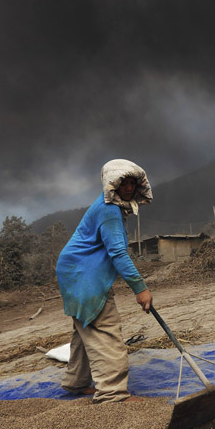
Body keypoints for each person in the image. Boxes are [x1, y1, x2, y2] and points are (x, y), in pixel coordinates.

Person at [55, 159, 154, 402]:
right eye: (124, 183)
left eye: (132, 183)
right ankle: (112, 393)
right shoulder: (109, 211)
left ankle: (76, 383)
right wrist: (140, 289)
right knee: (105, 329)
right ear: (112, 184)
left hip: (75, 272)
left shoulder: (109, 207)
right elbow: (118, 253)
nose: (129, 188)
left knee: (86, 327)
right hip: (83, 276)